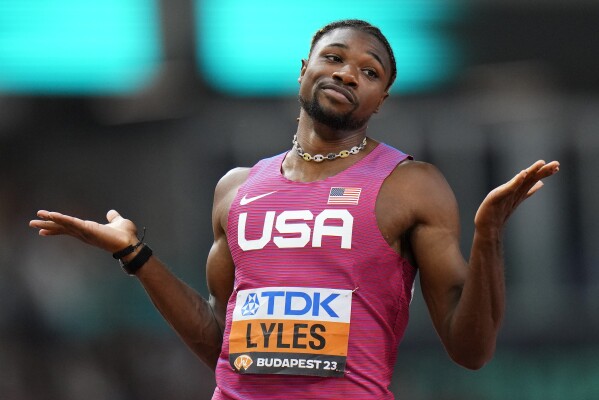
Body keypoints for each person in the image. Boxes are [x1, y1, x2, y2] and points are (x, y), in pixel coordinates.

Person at [29, 19, 559, 399]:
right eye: (334, 58)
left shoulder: (410, 187)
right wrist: (136, 256)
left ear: (382, 101)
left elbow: (472, 351)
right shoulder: (237, 189)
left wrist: (487, 236)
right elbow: (221, 344)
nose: (349, 74)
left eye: (369, 72)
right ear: (305, 69)